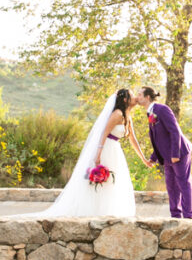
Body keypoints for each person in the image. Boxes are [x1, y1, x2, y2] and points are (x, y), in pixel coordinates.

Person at [31, 89, 150, 219]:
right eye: (132, 95)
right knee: (103, 180)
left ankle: (108, 211)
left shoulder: (127, 116)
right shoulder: (117, 114)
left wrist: (143, 158)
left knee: (113, 182)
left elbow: (133, 139)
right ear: (125, 100)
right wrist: (98, 154)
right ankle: (96, 211)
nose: (135, 98)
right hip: (107, 149)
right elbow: (104, 134)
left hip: (116, 150)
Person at [135, 86, 192, 219]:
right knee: (171, 186)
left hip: (179, 153)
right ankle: (175, 216)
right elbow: (158, 138)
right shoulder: (150, 113)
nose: (137, 97)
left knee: (183, 184)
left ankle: (188, 217)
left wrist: (175, 154)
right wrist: (153, 158)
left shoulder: (162, 109)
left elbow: (174, 131)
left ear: (147, 97)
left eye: (139, 95)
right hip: (166, 157)